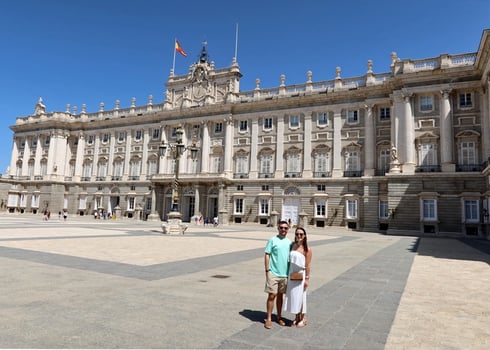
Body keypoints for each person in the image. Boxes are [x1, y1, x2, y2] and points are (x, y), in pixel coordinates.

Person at [263, 220, 291, 329]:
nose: (283, 230)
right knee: (272, 295)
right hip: (273, 272)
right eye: (281, 228)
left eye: (285, 228)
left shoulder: (289, 242)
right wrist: (267, 270)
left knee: (280, 296)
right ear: (278, 228)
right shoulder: (272, 240)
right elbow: (267, 254)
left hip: (284, 274)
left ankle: (279, 317)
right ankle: (269, 318)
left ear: (288, 229)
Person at [283, 226, 312, 328]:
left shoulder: (307, 249)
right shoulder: (293, 245)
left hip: (301, 275)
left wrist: (307, 279)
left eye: (301, 234)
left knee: (301, 297)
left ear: (304, 236)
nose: (299, 236)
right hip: (292, 274)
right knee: (294, 296)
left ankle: (303, 318)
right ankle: (296, 317)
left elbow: (308, 265)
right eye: (297, 234)